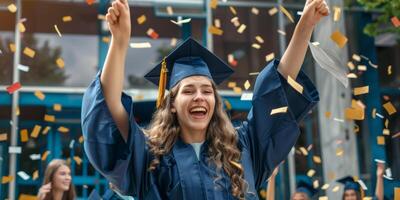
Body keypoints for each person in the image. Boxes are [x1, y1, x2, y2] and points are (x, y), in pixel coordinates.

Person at [81, 0, 327, 199]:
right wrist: (120, 42)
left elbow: (277, 91)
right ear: (172, 105)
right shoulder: (149, 157)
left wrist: (304, 27)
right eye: (188, 91)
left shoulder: (242, 149)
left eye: (207, 91)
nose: (199, 97)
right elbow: (110, 109)